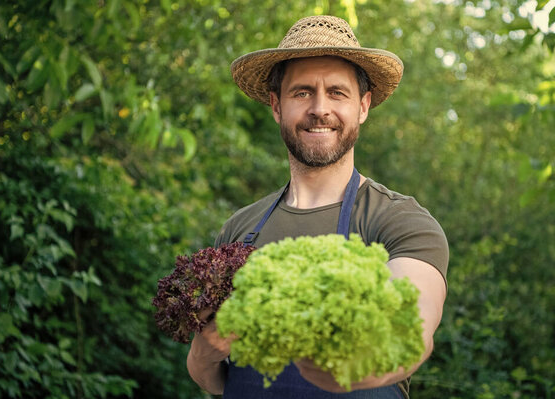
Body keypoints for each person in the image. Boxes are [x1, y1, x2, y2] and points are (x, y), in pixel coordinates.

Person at [186, 15, 448, 399]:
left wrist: (346, 367)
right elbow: (213, 381)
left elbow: (412, 331)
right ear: (277, 106)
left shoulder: (400, 222)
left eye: (337, 93)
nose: (320, 108)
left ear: (363, 106)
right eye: (303, 92)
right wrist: (202, 354)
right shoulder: (239, 229)